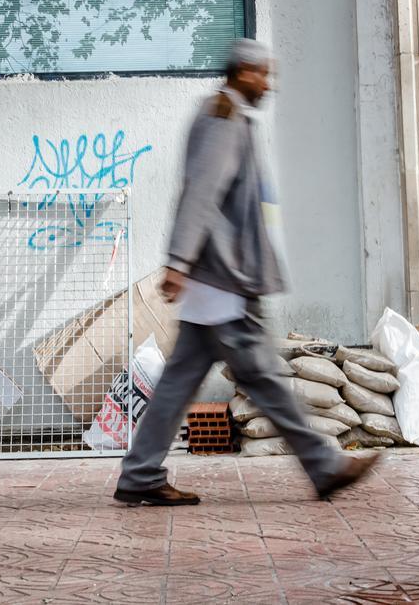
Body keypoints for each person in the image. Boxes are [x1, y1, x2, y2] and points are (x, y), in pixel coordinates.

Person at [114, 39, 380, 506]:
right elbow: (202, 192)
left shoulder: (227, 114)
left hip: (215, 282)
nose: (267, 84)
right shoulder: (224, 117)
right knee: (266, 381)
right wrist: (178, 261)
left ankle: (140, 473)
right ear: (242, 72)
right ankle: (324, 465)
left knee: (181, 383)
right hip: (224, 282)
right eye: (262, 74)